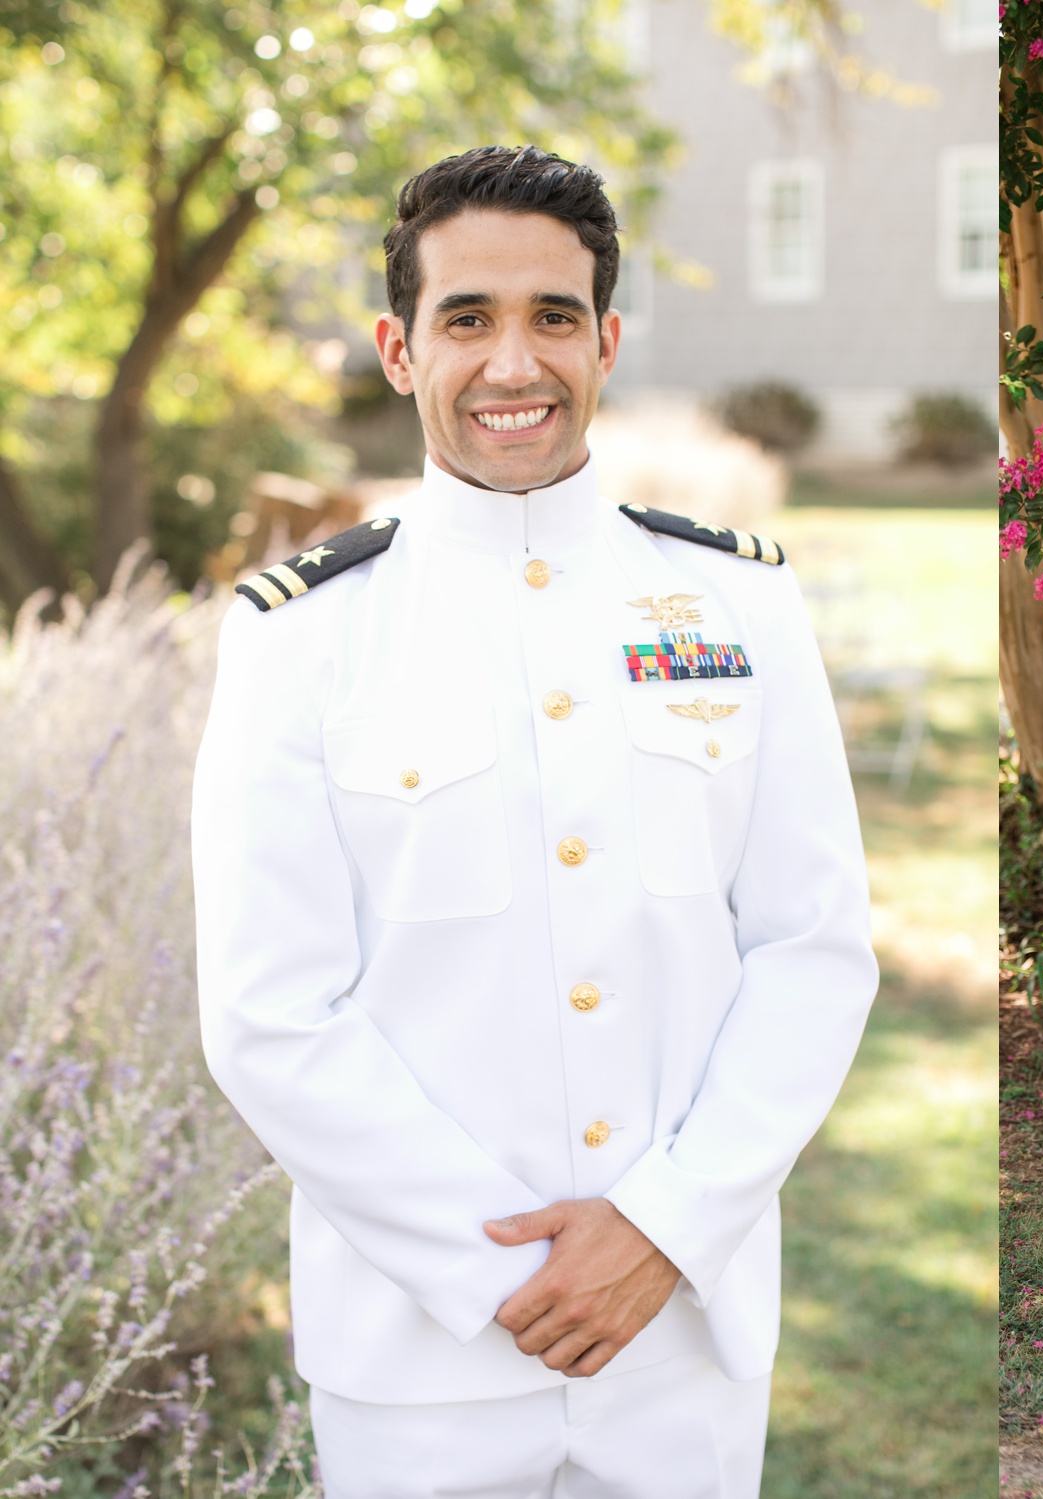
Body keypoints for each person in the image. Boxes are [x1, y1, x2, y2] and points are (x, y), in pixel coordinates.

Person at [190, 145, 876, 1497]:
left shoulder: (736, 605)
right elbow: (272, 1008)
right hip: (417, 1348)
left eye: (553, 317)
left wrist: (662, 1229)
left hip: (681, 1331)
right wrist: (504, 1266)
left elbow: (813, 944)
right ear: (399, 349)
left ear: (607, 341)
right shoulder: (304, 635)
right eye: (469, 318)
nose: (516, 362)